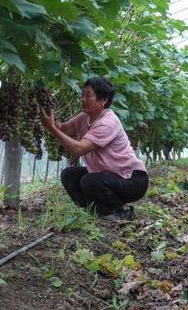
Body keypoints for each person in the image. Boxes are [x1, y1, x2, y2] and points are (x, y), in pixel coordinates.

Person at [39, 77, 148, 221]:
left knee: (90, 181)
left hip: (133, 179)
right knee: (68, 175)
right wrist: (48, 112)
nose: (83, 99)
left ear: (103, 100)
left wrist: (51, 129)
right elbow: (64, 129)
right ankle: (96, 212)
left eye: (88, 95)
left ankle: (121, 210)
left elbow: (78, 149)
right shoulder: (85, 117)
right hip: (109, 175)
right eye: (82, 94)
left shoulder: (108, 123)